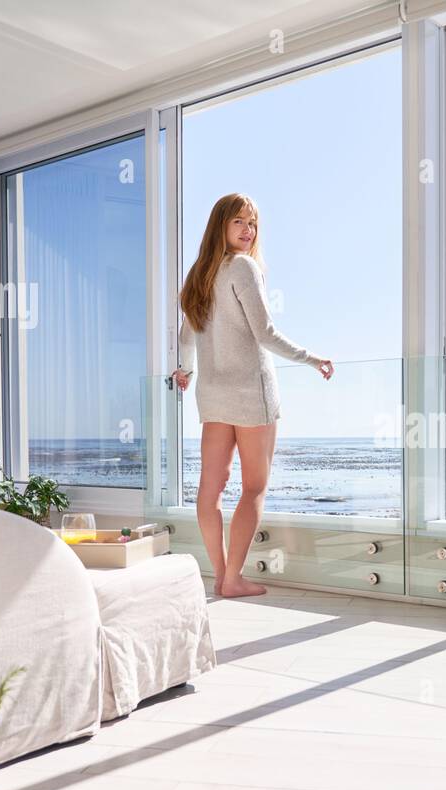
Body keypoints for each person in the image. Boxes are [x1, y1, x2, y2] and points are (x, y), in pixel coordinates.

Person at [171, 193, 333, 597]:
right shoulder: (243, 267)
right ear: (220, 227)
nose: (248, 231)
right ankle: (232, 579)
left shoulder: (199, 275)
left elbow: (187, 336)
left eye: (253, 223)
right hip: (251, 395)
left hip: (212, 397)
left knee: (210, 491)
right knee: (254, 487)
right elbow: (265, 333)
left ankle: (223, 575)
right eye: (239, 222)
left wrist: (185, 371)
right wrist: (311, 358)